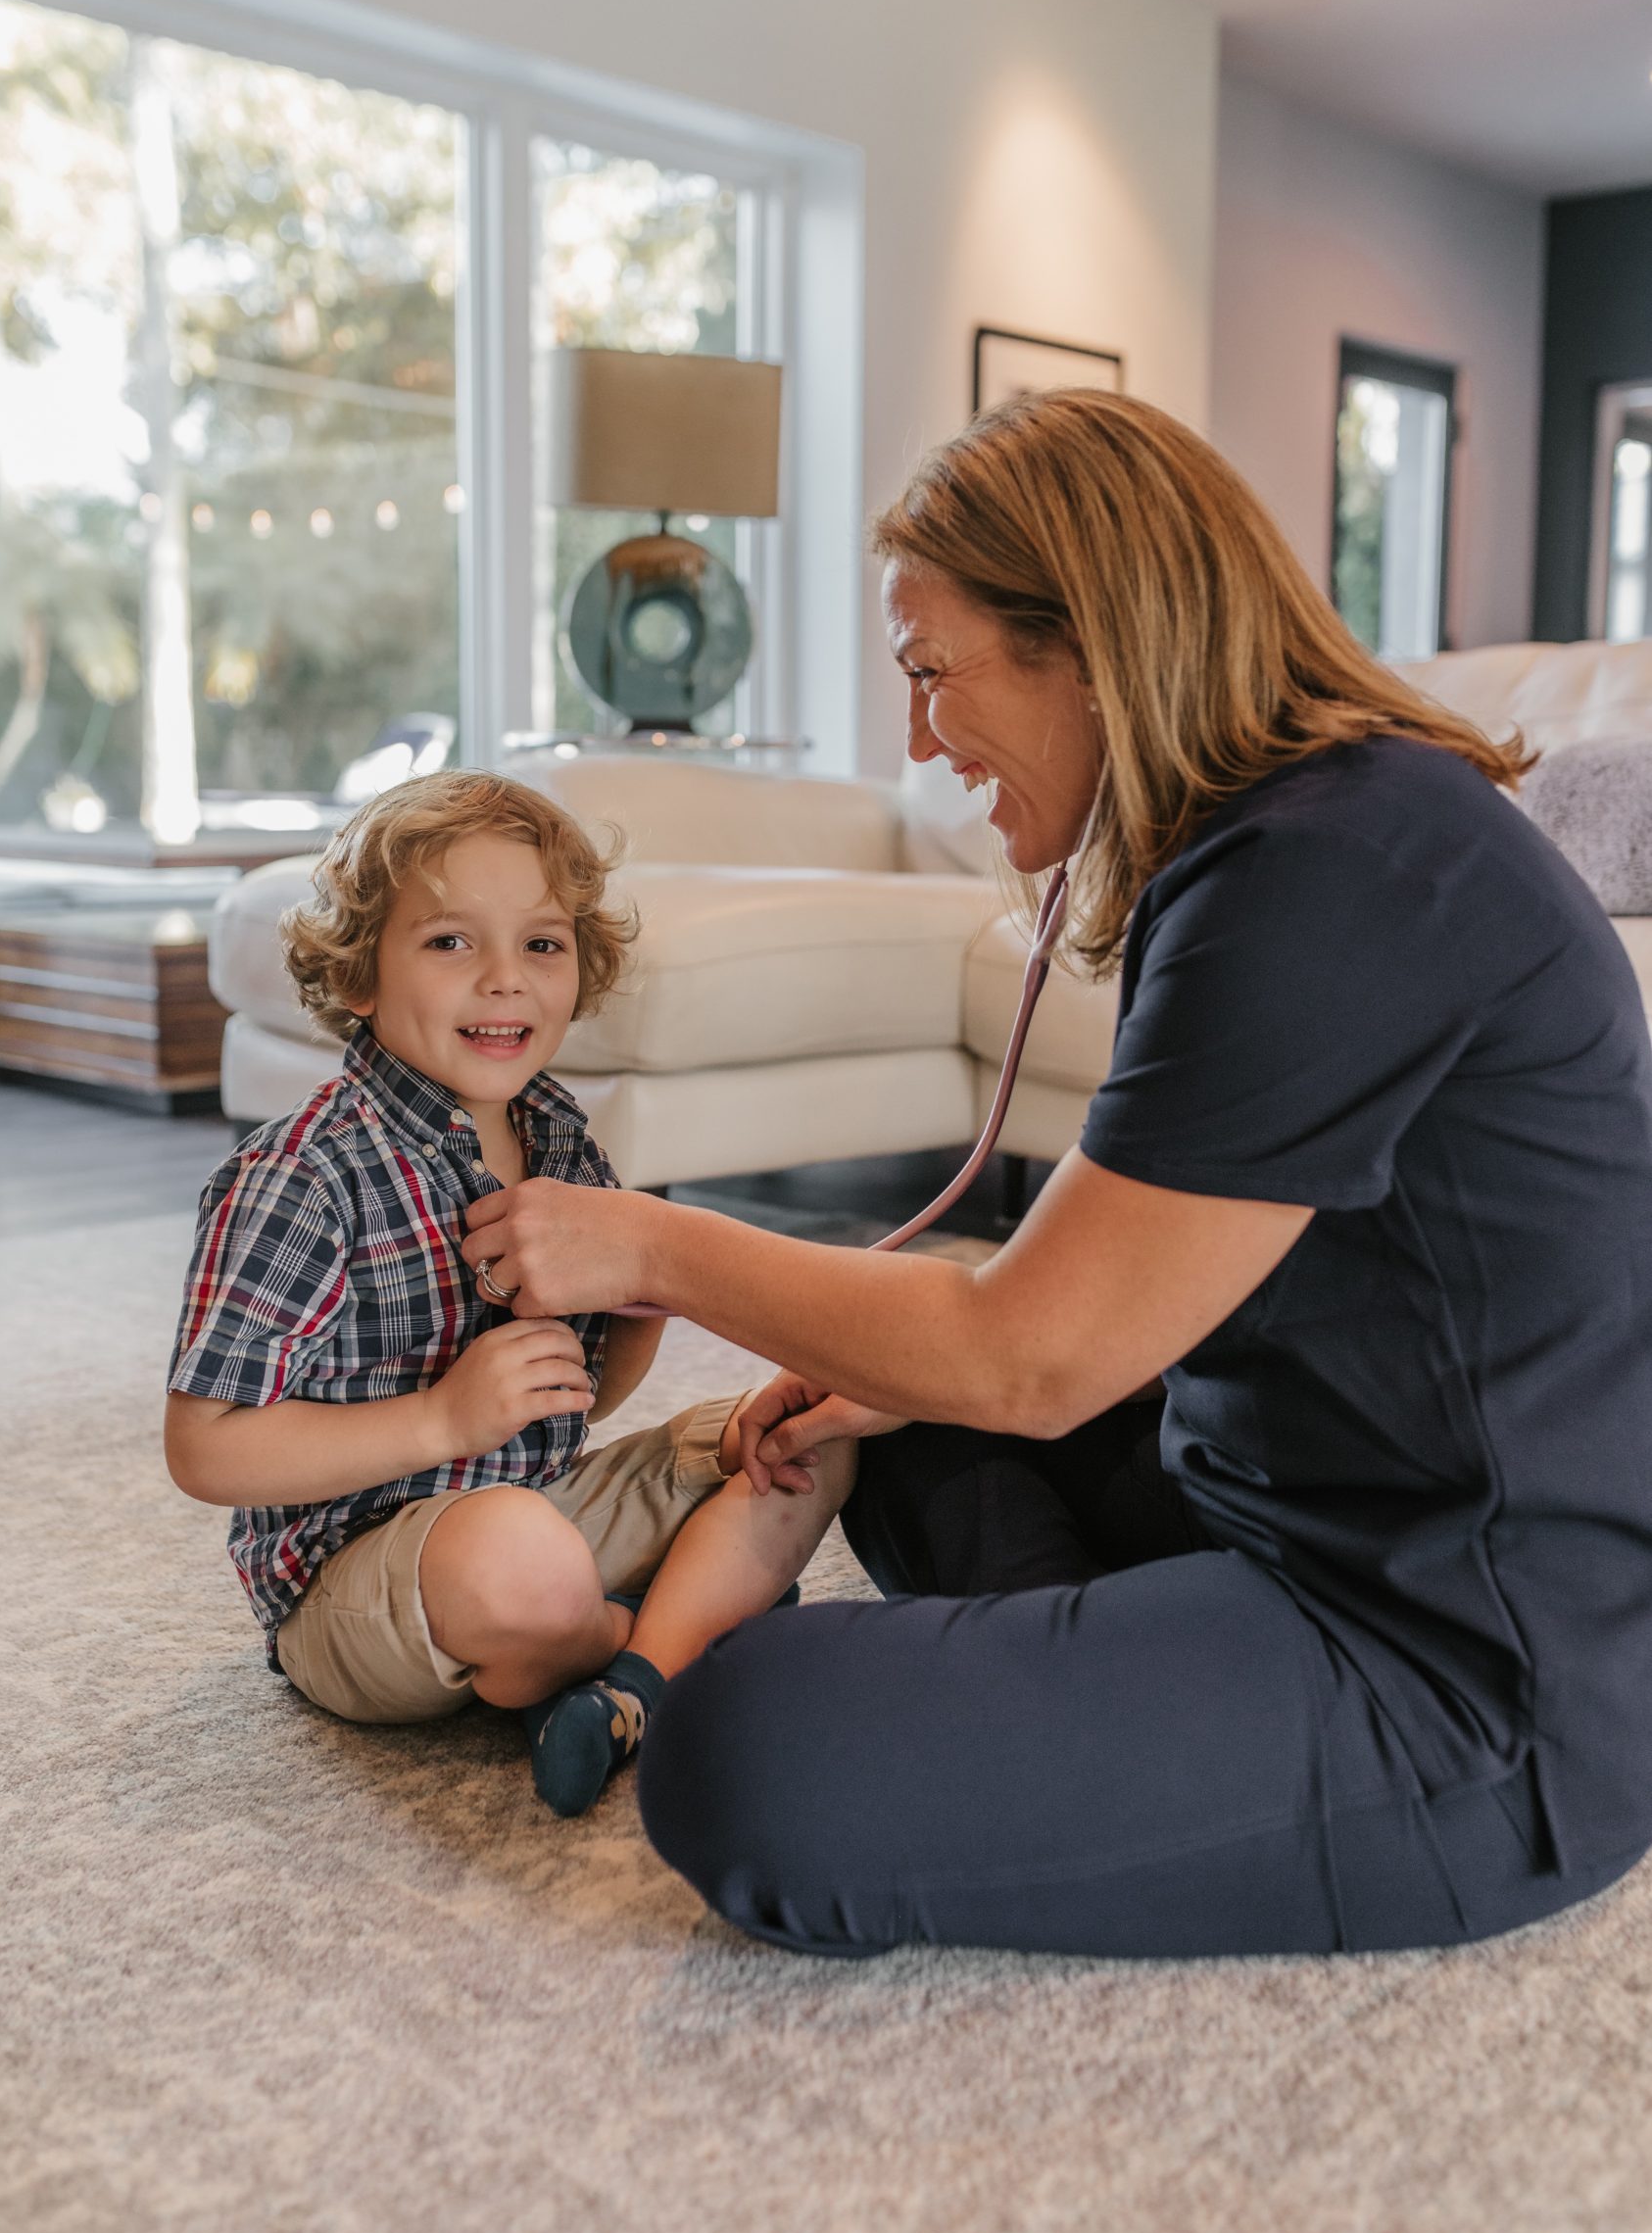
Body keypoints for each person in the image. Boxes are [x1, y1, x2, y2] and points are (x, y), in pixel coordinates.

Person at [462, 390, 1652, 1958]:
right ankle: (1091, 1705)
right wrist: (904, 1363)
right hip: (1284, 1484)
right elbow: (1090, 1310)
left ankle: (1082, 1714)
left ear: (1088, 638)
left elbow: (1029, 1361)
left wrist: (650, 1245)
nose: (912, 737)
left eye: (928, 671)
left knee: (748, 1746)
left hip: (1472, 1667)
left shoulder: (1333, 870)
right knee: (878, 1412)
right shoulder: (1281, 836)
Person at [164, 771, 851, 1818]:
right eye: (450, 942)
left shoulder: (560, 1136)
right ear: (357, 973)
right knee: (516, 1559)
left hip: (537, 1508)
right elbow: (206, 1446)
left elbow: (584, 1396)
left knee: (813, 1428)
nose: (505, 980)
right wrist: (441, 1417)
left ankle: (620, 1687)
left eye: (541, 943)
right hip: (358, 1579)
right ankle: (666, 1639)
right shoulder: (303, 1177)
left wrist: (639, 1294)